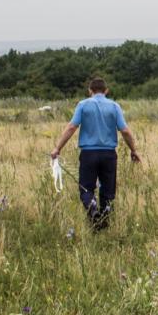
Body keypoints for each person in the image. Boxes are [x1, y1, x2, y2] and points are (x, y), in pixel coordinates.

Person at [50, 77, 140, 230]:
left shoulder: (83, 105)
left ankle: (92, 210)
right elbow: (124, 130)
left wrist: (58, 148)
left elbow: (72, 127)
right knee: (108, 190)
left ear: (90, 91)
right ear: (106, 91)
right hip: (109, 155)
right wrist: (133, 150)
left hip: (88, 154)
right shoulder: (114, 106)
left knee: (86, 188)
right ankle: (104, 222)